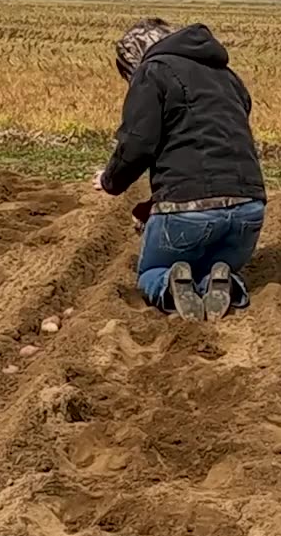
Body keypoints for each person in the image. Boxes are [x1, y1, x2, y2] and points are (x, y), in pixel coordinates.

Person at [92, 19, 267, 321]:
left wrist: (110, 181)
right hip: (248, 210)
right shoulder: (228, 77)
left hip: (187, 211)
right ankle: (223, 282)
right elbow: (211, 152)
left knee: (152, 270)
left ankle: (168, 287)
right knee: (208, 266)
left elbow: (138, 144)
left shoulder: (153, 71)